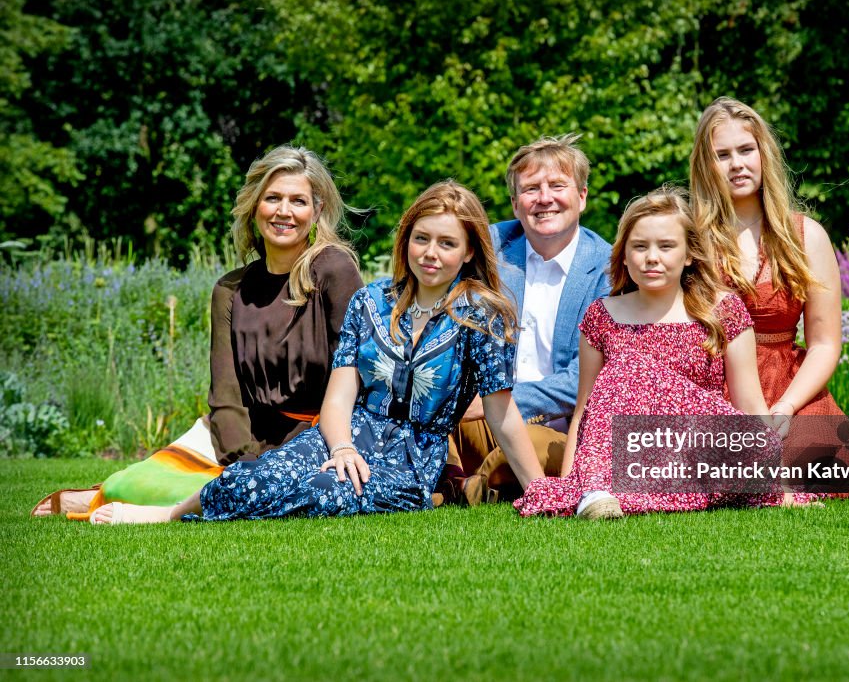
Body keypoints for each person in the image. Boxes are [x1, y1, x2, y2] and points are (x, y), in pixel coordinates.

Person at [88, 181, 545, 524]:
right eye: (421, 238)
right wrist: (343, 445)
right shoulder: (372, 302)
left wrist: (540, 491)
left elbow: (501, 413)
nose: (430, 253)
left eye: (447, 244)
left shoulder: (484, 316)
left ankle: (182, 513)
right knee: (263, 473)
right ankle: (169, 514)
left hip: (410, 460)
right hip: (344, 435)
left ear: (468, 254)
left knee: (322, 490)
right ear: (406, 240)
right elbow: (340, 394)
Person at [32, 145, 364, 519]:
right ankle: (106, 496)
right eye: (273, 198)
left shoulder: (335, 270)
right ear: (255, 206)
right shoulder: (230, 289)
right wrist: (241, 461)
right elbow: (226, 393)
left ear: (317, 210)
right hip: (241, 434)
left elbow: (360, 372)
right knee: (131, 485)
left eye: (298, 201)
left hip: (319, 435)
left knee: (224, 492)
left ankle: (176, 502)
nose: (284, 211)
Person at [514, 187, 802, 519]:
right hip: (634, 454)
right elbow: (585, 412)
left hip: (705, 449)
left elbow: (749, 404)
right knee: (624, 370)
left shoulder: (723, 310)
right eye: (639, 247)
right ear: (623, 255)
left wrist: (776, 479)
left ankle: (610, 491)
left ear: (689, 255)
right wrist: (570, 485)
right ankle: (595, 492)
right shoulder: (602, 316)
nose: (652, 257)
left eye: (666, 246)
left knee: (630, 366)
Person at [689, 96, 849, 497]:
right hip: (713, 385)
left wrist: (785, 407)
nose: (737, 164)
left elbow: (824, 343)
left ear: (764, 154)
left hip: (790, 390)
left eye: (746, 150)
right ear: (706, 165)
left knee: (820, 468)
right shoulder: (687, 239)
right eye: (722, 154)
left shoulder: (808, 236)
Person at [440, 133, 612, 505]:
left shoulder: (607, 269)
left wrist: (501, 402)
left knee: (523, 448)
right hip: (478, 419)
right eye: (531, 189)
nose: (544, 198)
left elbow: (589, 377)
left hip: (557, 429)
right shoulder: (489, 248)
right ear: (516, 204)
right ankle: (458, 478)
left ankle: (468, 484)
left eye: (557, 185)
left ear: (582, 197)